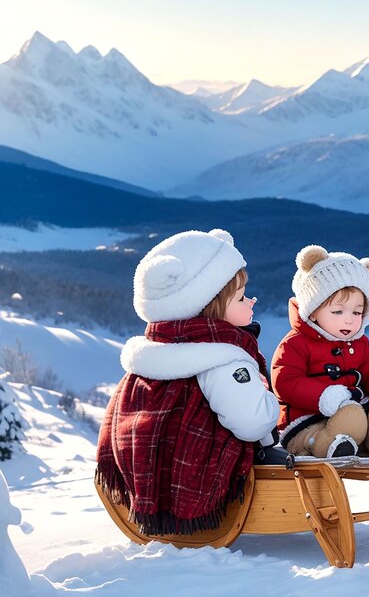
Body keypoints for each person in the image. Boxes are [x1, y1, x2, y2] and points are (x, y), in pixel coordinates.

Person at [96, 229, 279, 536]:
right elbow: (252, 422)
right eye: (241, 296)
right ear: (209, 308)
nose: (252, 300)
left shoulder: (157, 354)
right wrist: (269, 400)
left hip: (149, 478)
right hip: (202, 482)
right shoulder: (222, 356)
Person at [271, 245, 369, 459]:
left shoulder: (359, 343)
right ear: (313, 309)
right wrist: (323, 395)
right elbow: (285, 382)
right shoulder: (295, 343)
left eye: (357, 312)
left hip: (356, 418)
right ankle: (329, 445)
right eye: (338, 311)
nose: (349, 319)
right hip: (307, 424)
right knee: (351, 417)